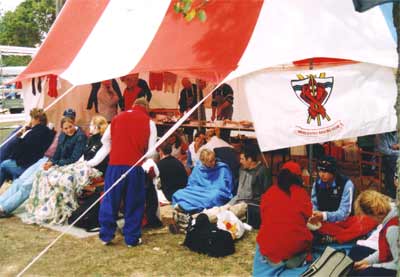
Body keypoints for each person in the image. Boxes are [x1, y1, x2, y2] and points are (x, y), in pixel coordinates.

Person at [98, 97, 157, 247]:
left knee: (110, 200)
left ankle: (106, 235)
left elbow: (105, 140)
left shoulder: (117, 118)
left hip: (115, 165)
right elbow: (151, 152)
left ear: (133, 105)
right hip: (134, 166)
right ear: (147, 108)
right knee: (134, 202)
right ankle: (131, 238)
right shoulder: (149, 122)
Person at [0, 116, 86, 218]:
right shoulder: (62, 135)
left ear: (74, 124)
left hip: (61, 165)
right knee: (20, 180)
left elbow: (74, 158)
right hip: (47, 160)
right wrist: (51, 160)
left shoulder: (80, 137)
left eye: (70, 127)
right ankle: (1, 202)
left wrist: (54, 163)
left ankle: (5, 208)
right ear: (62, 129)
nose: (68, 130)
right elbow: (57, 151)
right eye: (65, 128)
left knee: (27, 185)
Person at [253, 161, 313, 276]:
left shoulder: (269, 193)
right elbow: (308, 216)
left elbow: (264, 217)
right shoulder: (301, 193)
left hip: (269, 252)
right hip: (295, 252)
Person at [309, 156, 378, 244]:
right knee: (311, 224)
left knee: (370, 220)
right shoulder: (317, 184)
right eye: (320, 171)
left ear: (333, 171)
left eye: (325, 171)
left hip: (344, 221)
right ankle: (351, 236)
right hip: (325, 222)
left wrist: (324, 215)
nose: (322, 174)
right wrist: (314, 215)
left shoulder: (346, 184)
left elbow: (344, 213)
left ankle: (335, 238)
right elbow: (313, 204)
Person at [0, 108, 54, 187]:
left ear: (37, 119)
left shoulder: (32, 133)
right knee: (9, 166)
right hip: (35, 163)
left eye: (32, 118)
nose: (31, 121)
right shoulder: (48, 132)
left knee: (3, 165)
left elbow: (19, 151)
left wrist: (20, 137)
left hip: (26, 165)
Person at [349, 190, 398, 276]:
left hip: (396, 266)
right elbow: (386, 250)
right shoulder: (390, 211)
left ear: (372, 214)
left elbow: (398, 265)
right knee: (356, 251)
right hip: (393, 258)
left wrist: (372, 266)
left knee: (365, 273)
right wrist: (366, 261)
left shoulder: (392, 229)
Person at [172, 149, 233, 213]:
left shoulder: (222, 168)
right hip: (199, 191)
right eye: (210, 161)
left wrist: (212, 189)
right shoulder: (198, 168)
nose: (213, 162)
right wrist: (199, 190)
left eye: (214, 160)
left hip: (213, 192)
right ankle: (188, 206)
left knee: (214, 196)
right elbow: (191, 184)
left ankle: (187, 206)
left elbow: (227, 188)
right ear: (203, 162)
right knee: (178, 193)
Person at [376, 131, 398, 198]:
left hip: (393, 156)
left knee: (393, 162)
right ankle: (391, 192)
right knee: (392, 164)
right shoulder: (381, 134)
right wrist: (397, 150)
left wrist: (395, 147)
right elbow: (385, 151)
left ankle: (392, 189)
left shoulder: (397, 132)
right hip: (381, 158)